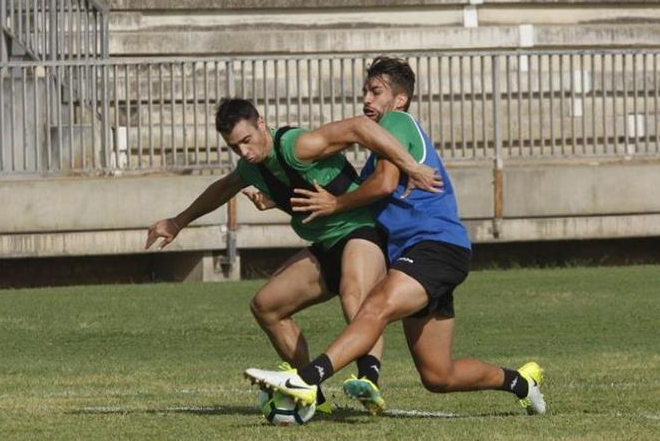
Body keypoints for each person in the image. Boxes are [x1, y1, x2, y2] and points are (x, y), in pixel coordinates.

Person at [244, 56, 546, 416]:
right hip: (419, 255)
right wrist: (278, 200)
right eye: (365, 92)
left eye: (376, 92)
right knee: (438, 375)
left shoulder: (397, 122)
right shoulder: (379, 154)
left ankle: (306, 380)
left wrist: (336, 204)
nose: (367, 100)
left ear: (399, 100)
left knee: (375, 305)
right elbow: (374, 195)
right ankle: (522, 382)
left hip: (435, 246)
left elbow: (384, 185)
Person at [145, 97, 441, 413]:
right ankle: (312, 394)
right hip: (325, 245)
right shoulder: (251, 168)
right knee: (266, 306)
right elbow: (223, 187)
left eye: (246, 140)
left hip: (362, 230)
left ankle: (369, 380)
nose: (244, 152)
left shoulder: (297, 145)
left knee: (354, 294)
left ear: (261, 123)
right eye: (234, 147)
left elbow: (359, 126)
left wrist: (410, 165)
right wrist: (178, 222)